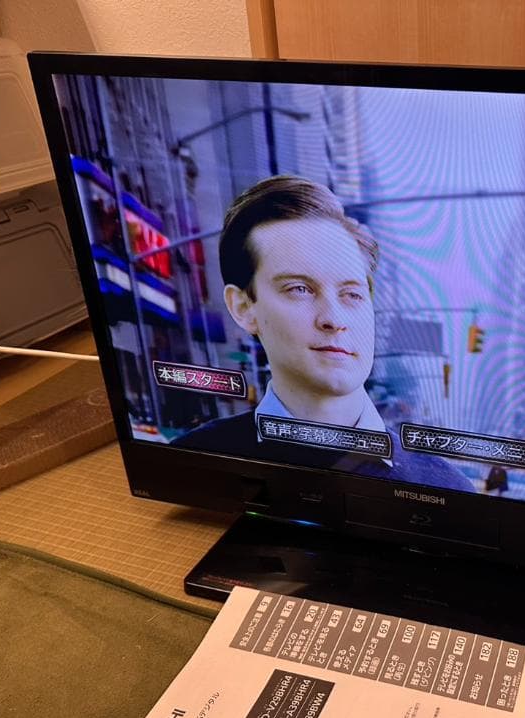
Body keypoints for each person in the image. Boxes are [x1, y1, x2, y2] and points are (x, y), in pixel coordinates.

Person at [174, 175, 473, 492]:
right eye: (300, 289)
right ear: (244, 308)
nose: (334, 319)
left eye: (352, 295)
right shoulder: (189, 465)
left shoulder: (449, 489)